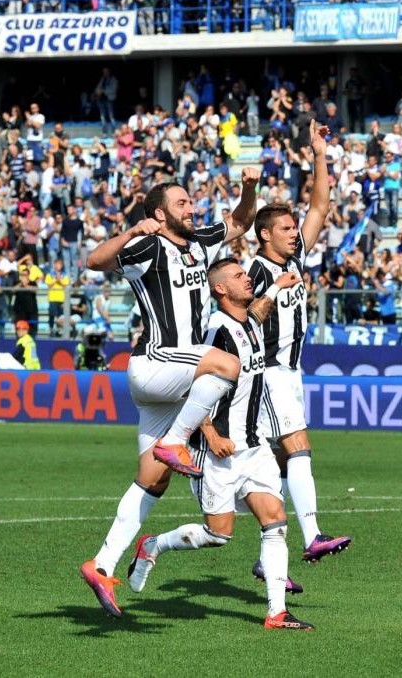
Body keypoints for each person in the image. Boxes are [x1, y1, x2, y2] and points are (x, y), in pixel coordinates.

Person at [78, 172, 259, 618]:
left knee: (153, 478)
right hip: (157, 360)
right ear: (159, 213)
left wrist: (249, 189)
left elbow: (240, 221)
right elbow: (94, 261)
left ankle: (101, 564)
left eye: (190, 201)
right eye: (181, 203)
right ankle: (175, 442)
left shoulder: (199, 244)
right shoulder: (149, 244)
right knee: (227, 363)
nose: (191, 207)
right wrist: (132, 231)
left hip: (170, 380)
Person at [126, 258, 313, 631]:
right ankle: (153, 545)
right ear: (220, 289)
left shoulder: (251, 323)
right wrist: (210, 433)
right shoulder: (215, 329)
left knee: (275, 521)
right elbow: (193, 383)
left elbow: (258, 312)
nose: (248, 279)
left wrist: (276, 286)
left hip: (255, 446)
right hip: (217, 449)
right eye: (239, 276)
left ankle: (276, 612)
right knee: (219, 534)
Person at [247, 121, 352, 563]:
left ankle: (269, 556)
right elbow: (245, 321)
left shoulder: (295, 257)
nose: (295, 232)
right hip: (268, 371)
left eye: (295, 228)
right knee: (298, 446)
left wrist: (320, 154)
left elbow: (321, 206)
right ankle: (312, 535)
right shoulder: (253, 273)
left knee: (274, 464)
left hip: (291, 371)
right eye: (286, 228)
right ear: (265, 234)